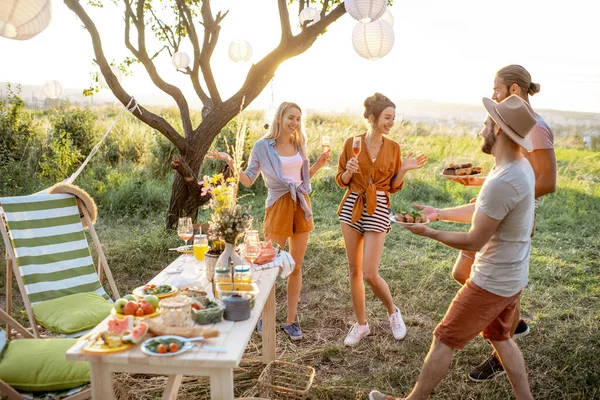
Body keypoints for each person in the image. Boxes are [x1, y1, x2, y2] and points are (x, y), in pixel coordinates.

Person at [369, 94, 538, 400]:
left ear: (499, 130)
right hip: (513, 277)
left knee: (444, 337)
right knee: (501, 338)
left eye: (487, 122)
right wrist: (440, 213)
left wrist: (429, 231)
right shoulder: (517, 167)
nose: (482, 127)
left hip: (492, 281)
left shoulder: (504, 179)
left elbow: (475, 239)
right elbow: (486, 212)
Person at [450, 65, 556, 382]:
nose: (493, 95)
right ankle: (512, 324)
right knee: (463, 273)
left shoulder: (536, 127)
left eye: (496, 89)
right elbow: (513, 171)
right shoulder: (516, 123)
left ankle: (502, 346)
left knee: (494, 280)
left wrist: (502, 199)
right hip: (499, 205)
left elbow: (547, 181)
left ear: (512, 90)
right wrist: (483, 185)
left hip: (513, 215)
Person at [207, 101, 330, 340]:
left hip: (301, 204)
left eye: (298, 118)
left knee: (295, 265)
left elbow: (304, 179)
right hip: (278, 206)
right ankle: (265, 317)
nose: (295, 123)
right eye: (291, 118)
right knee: (269, 265)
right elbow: (248, 180)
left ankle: (291, 321)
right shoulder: (262, 146)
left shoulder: (299, 143)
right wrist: (230, 161)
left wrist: (319, 164)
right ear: (280, 117)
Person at [336, 93, 427, 346]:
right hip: (352, 205)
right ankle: (362, 325)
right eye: (387, 117)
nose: (391, 122)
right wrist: (347, 173)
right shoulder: (351, 143)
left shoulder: (394, 148)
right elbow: (340, 179)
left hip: (378, 208)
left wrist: (404, 169)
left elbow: (393, 186)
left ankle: (392, 312)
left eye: (394, 118)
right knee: (354, 271)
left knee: (370, 273)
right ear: (372, 117)